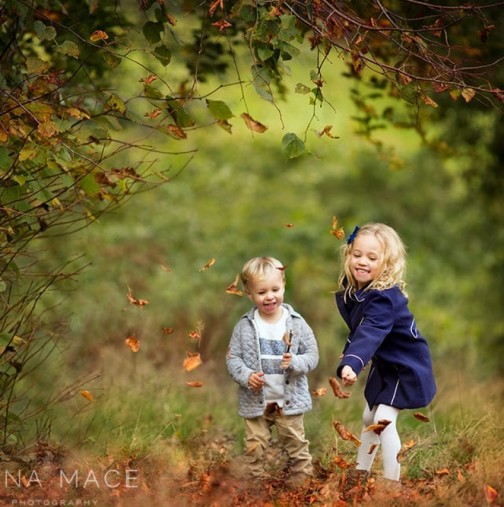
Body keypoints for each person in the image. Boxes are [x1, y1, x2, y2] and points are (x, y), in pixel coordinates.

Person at [335, 223, 436, 484]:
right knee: (369, 416)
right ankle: (360, 471)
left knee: (382, 420)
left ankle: (392, 483)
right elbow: (361, 331)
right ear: (348, 255)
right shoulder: (360, 292)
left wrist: (353, 363)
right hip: (387, 366)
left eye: (372, 257)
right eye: (357, 255)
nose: (362, 262)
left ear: (387, 264)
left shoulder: (383, 298)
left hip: (405, 366)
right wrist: (349, 355)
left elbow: (371, 330)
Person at [226, 256, 319, 486]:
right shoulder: (245, 326)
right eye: (262, 292)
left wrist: (295, 362)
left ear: (284, 285)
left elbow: (312, 355)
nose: (270, 296)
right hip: (256, 400)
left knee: (296, 443)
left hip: (289, 400)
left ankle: (302, 483)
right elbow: (232, 358)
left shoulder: (296, 322)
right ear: (249, 294)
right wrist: (247, 376)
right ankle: (253, 485)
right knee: (254, 446)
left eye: (275, 289)